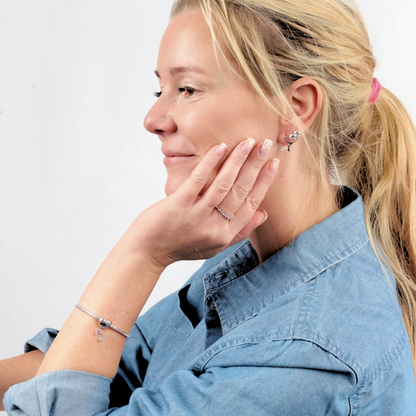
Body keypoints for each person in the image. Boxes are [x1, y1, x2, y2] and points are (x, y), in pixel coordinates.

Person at [1, 0, 416, 414]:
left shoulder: (305, 352)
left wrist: (139, 255)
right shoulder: (251, 258)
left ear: (297, 107)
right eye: (159, 89)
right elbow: (116, 367)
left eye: (187, 89)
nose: (154, 118)